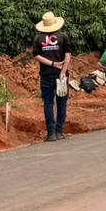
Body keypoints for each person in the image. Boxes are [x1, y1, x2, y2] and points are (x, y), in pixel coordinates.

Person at [32, 11, 72, 142]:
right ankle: (60, 131)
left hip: (46, 75)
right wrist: (62, 71)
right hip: (61, 75)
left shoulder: (38, 39)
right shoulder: (63, 36)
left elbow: (37, 56)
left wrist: (52, 64)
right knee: (61, 103)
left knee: (48, 103)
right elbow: (67, 55)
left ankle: (51, 133)